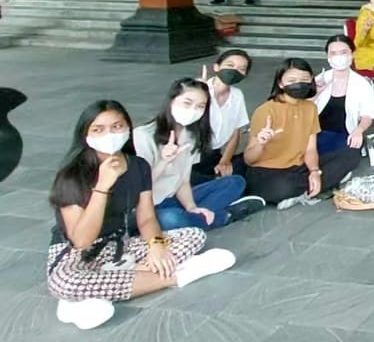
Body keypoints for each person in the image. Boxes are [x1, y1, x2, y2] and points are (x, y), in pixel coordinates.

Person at [48, 101, 235, 330]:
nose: (110, 134)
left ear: (127, 129)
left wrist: (157, 246)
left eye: (117, 126)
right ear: (85, 134)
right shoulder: (71, 176)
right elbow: (81, 241)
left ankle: (97, 290)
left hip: (119, 245)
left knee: (193, 235)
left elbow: (146, 218)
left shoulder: (138, 165)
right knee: (67, 281)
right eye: (99, 129)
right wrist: (103, 185)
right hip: (75, 253)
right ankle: (178, 276)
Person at [131, 78, 262, 232]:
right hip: (147, 206)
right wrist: (164, 162)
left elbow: (183, 180)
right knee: (172, 219)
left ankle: (196, 218)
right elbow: (137, 187)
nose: (193, 110)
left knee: (235, 182)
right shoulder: (143, 136)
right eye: (187, 103)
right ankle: (224, 216)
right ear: (171, 101)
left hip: (174, 198)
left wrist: (191, 207)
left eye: (200, 106)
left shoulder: (190, 136)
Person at [244, 59, 361, 208]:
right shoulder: (265, 111)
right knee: (281, 187)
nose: (298, 84)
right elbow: (249, 160)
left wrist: (314, 171)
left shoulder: (309, 108)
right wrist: (261, 143)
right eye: (292, 80)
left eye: (304, 80)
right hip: (268, 172)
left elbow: (310, 149)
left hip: (299, 167)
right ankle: (314, 188)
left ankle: (306, 188)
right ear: (280, 83)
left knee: (351, 153)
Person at [192, 50, 252, 184]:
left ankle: (216, 183)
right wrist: (196, 95)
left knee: (248, 167)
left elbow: (235, 132)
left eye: (241, 69)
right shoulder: (198, 91)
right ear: (216, 67)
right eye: (230, 65)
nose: (234, 71)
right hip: (191, 156)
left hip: (214, 156)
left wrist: (225, 161)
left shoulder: (237, 95)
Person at [313, 35, 374, 156]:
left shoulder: (362, 84)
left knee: (344, 156)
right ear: (328, 57)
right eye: (333, 53)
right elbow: (302, 108)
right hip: (316, 135)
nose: (338, 57)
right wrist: (316, 93)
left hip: (346, 136)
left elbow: (368, 115)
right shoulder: (320, 80)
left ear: (352, 54)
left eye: (343, 52)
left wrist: (359, 130)